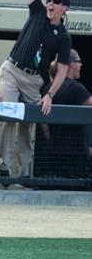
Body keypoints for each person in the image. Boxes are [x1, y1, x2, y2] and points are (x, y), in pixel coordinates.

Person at [0, 0, 71, 184]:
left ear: (65, 9)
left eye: (57, 2)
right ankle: (5, 167)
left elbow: (62, 69)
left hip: (34, 79)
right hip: (11, 69)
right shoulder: (38, 11)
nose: (51, 3)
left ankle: (23, 174)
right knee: (10, 112)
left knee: (28, 123)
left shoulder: (63, 37)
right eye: (50, 0)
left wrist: (49, 94)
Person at [35, 50, 92, 180]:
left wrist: (51, 139)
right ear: (71, 64)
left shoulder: (47, 89)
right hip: (76, 157)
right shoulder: (76, 88)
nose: (81, 65)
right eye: (79, 62)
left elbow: (43, 121)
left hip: (54, 155)